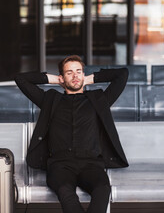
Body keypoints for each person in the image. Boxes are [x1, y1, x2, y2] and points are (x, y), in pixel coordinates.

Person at [15, 55, 129, 213]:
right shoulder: (50, 100)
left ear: (83, 74)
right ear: (62, 77)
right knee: (65, 191)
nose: (75, 76)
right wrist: (55, 80)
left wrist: (90, 79)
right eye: (69, 73)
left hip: (91, 164)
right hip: (60, 165)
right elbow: (20, 79)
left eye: (78, 71)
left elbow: (122, 74)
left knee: (102, 189)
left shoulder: (99, 99)